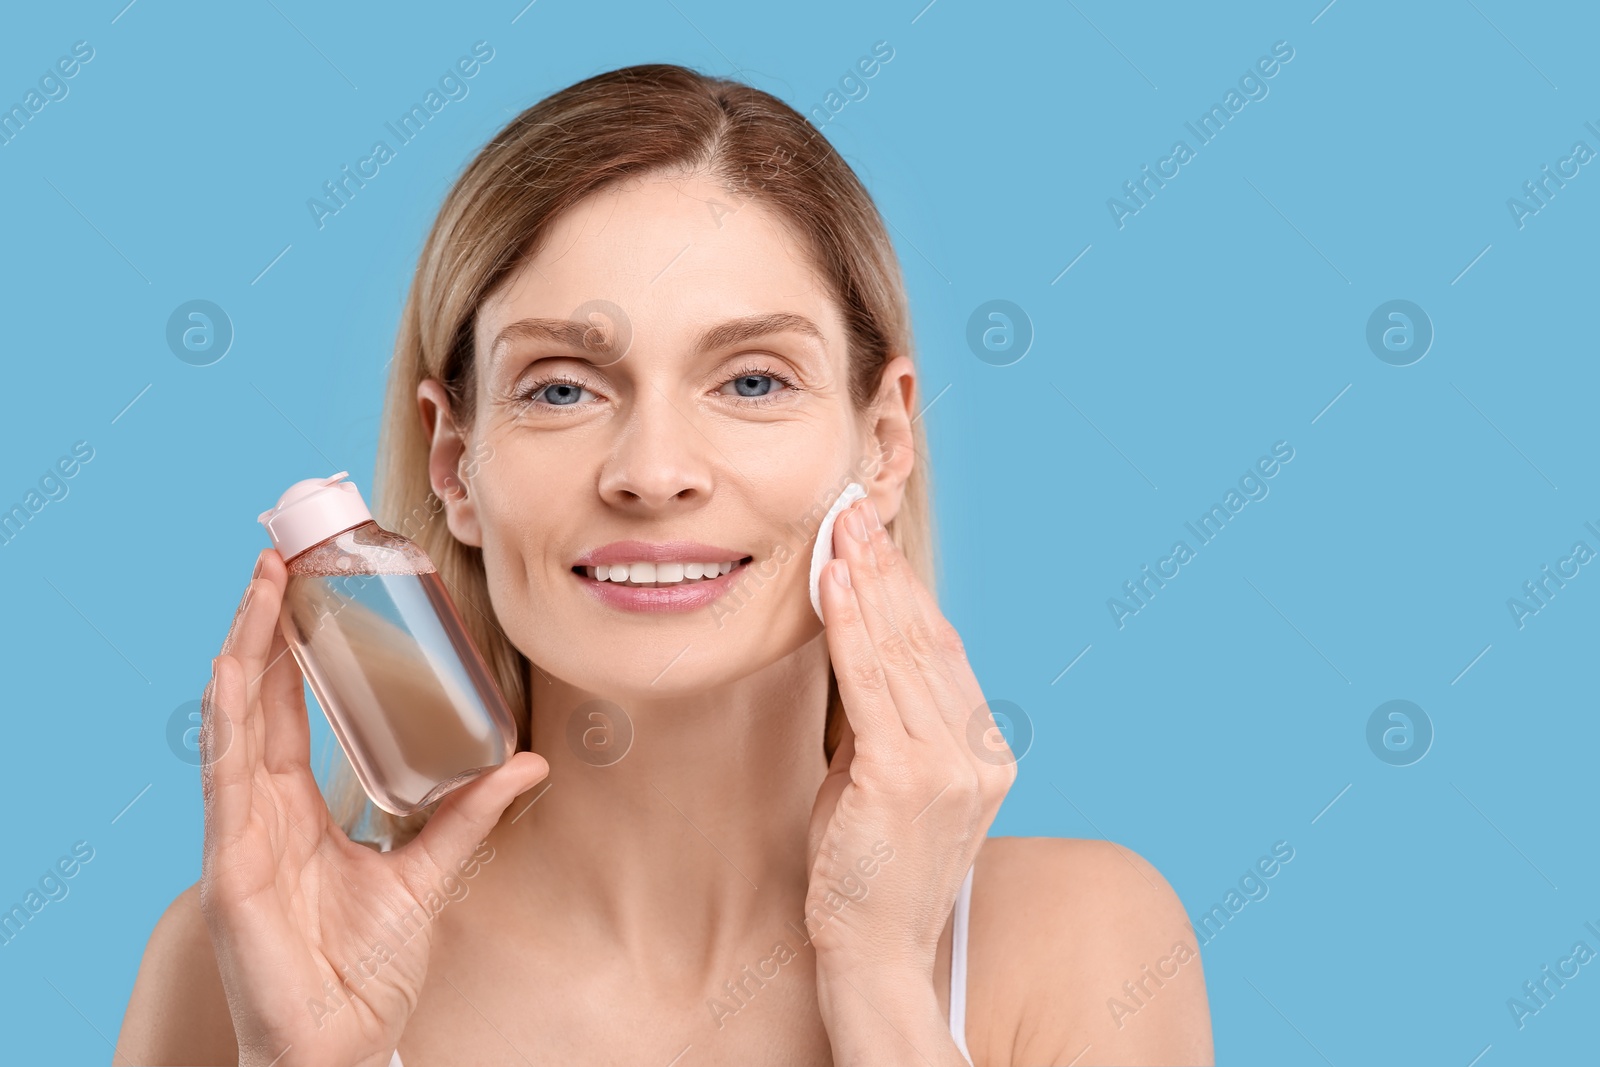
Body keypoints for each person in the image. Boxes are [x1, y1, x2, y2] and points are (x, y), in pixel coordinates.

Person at [115, 64, 1213, 1066]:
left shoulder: (1081, 945)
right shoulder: (238, 963)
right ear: (455, 462)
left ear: (882, 446)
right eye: (560, 387)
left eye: (750, 381)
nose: (652, 471)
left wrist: (881, 989)